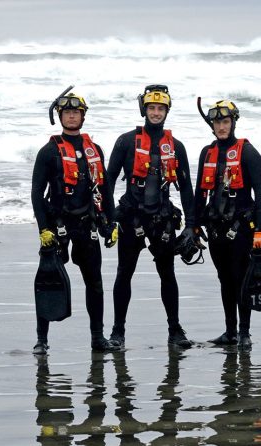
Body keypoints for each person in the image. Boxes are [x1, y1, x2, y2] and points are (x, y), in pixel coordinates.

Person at [106, 84, 195, 350]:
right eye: (151, 108)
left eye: (161, 108)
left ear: (167, 111)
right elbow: (107, 182)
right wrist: (108, 219)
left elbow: (187, 189)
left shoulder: (176, 147)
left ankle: (175, 330)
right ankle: (118, 332)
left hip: (162, 220)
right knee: (124, 274)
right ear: (143, 109)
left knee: (168, 274)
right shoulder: (125, 142)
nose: (156, 113)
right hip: (131, 218)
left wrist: (191, 226)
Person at [31, 89, 119, 354]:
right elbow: (36, 192)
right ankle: (42, 340)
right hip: (56, 227)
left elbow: (104, 191)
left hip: (87, 225)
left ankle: (97, 338)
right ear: (60, 116)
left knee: (95, 283)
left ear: (82, 116)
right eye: (67, 112)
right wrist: (43, 229)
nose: (71, 116)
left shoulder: (95, 150)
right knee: (48, 282)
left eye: (76, 112)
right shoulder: (48, 152)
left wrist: (111, 224)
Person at [194, 100, 261, 348]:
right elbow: (198, 193)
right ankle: (230, 331)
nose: (221, 127)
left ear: (233, 122)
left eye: (225, 122)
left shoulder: (247, 151)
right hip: (215, 230)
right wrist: (192, 225)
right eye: (217, 123)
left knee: (241, 279)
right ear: (211, 125)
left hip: (242, 230)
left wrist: (259, 232)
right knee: (224, 279)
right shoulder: (207, 152)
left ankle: (244, 333)